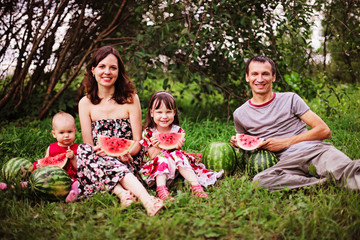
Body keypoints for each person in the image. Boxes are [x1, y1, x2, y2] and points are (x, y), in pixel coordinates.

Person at [230, 56, 360, 191]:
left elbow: (324, 131)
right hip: (286, 163)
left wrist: (284, 143)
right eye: (255, 74)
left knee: (347, 171)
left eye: (265, 74)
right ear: (247, 77)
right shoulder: (240, 114)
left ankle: (325, 181)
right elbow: (247, 145)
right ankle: (323, 183)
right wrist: (238, 144)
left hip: (315, 151)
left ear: (273, 77)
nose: (260, 79)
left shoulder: (290, 98)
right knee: (260, 181)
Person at [77, 45, 163, 216]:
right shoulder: (85, 103)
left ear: (119, 72)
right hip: (100, 159)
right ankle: (125, 193)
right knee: (82, 151)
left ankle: (144, 198)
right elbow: (90, 146)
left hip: (130, 157)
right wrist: (110, 155)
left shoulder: (131, 99)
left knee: (98, 162)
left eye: (113, 67)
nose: (107, 72)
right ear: (93, 70)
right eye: (102, 66)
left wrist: (124, 153)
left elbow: (138, 141)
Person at [140, 91, 223, 200]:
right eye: (159, 112)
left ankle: (196, 187)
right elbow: (152, 156)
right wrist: (156, 146)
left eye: (168, 112)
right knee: (161, 158)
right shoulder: (149, 133)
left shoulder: (177, 131)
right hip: (155, 170)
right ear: (151, 113)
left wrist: (177, 147)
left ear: (174, 113)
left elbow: (176, 155)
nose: (164, 116)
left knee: (178, 154)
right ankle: (161, 190)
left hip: (175, 169)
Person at [1, 111, 79, 203]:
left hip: (69, 177)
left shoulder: (77, 148)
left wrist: (73, 158)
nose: (66, 135)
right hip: (50, 176)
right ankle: (12, 186)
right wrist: (40, 167)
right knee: (34, 182)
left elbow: (78, 168)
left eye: (69, 132)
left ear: (75, 131)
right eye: (61, 132)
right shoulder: (51, 147)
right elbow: (46, 161)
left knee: (77, 184)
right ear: (54, 134)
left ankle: (72, 194)